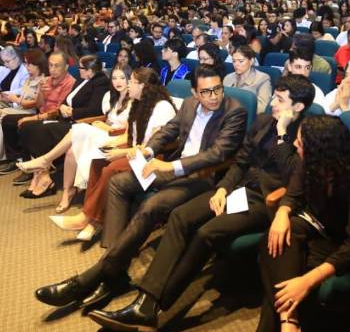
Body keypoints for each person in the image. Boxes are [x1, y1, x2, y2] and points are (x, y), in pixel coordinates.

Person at [80, 75, 314, 332]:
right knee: (180, 217)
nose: (273, 103)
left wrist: (282, 135)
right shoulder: (262, 122)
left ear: (298, 107)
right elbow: (241, 162)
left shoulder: (308, 133)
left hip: (266, 200)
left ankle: (155, 306)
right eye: (275, 97)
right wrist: (224, 188)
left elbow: (295, 175)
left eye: (280, 100)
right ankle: (144, 303)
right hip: (237, 190)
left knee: (205, 233)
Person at [34, 66, 252, 314]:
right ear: (195, 92)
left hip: (202, 177)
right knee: (118, 183)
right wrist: (148, 150)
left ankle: (100, 273)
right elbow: (169, 130)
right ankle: (114, 269)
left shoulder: (235, 112)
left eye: (217, 89)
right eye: (206, 92)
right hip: (171, 165)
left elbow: (218, 154)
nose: (213, 96)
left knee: (152, 206)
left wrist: (170, 166)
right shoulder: (190, 104)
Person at [217, 115, 350, 332]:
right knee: (278, 237)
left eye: (301, 142)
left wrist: (307, 282)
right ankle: (289, 328)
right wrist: (281, 212)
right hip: (313, 229)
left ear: (320, 149)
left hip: (342, 248)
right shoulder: (311, 163)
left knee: (289, 278)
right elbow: (292, 195)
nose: (294, 143)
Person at [45, 67, 178, 240]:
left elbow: (153, 146)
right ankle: (92, 221)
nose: (128, 85)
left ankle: (88, 219)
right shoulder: (138, 103)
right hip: (133, 152)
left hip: (151, 159)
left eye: (132, 82)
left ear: (144, 86)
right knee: (97, 160)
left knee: (111, 169)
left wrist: (120, 153)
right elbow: (131, 137)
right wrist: (113, 146)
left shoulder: (162, 108)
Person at [17, 64, 134, 214]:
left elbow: (130, 130)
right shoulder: (111, 97)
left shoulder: (134, 100)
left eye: (122, 78)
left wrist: (106, 127)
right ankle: (67, 192)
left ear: (130, 80)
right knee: (71, 151)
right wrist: (102, 125)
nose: (118, 82)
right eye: (115, 78)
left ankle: (45, 160)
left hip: (116, 137)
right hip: (103, 131)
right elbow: (107, 118)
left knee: (79, 128)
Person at [15, 54, 111, 199]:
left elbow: (95, 109)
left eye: (81, 68)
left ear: (90, 70)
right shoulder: (81, 80)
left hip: (80, 124)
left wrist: (72, 111)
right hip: (66, 118)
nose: (78, 70)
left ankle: (42, 175)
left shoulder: (100, 82)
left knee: (43, 129)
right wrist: (64, 107)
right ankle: (41, 174)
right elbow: (66, 100)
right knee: (28, 127)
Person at [223, 45, 271, 113]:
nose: (236, 64)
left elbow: (262, 108)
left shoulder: (263, 79)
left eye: (241, 61)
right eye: (234, 61)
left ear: (251, 61)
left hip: (247, 118)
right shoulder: (228, 78)